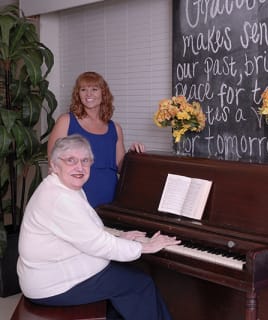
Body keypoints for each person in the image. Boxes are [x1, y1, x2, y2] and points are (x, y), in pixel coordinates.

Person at [17, 134, 180, 320]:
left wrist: (119, 239)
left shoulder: (62, 187)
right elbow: (97, 243)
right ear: (54, 166)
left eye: (85, 160)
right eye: (71, 160)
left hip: (52, 274)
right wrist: (147, 246)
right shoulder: (60, 198)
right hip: (52, 285)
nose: (79, 167)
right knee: (140, 285)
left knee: (133, 280)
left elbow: (84, 234)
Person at [47, 71, 145, 208]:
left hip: (109, 197)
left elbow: (121, 167)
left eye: (94, 89)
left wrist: (132, 153)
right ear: (78, 94)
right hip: (75, 196)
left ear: (103, 93)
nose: (88, 94)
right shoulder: (66, 121)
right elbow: (52, 162)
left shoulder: (115, 128)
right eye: (83, 90)